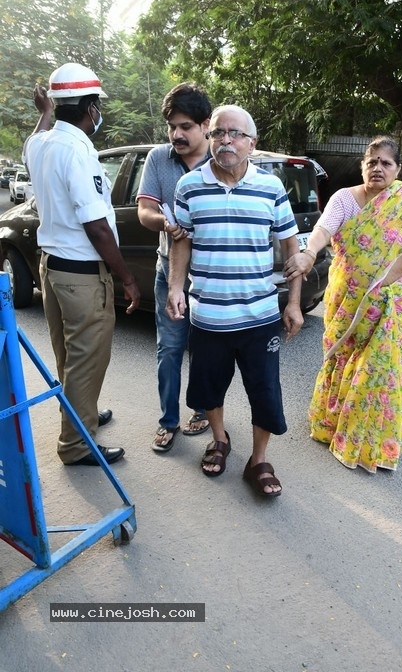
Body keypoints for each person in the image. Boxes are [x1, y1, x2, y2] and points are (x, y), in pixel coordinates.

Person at [283, 135, 402, 474]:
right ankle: (333, 426)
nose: (377, 169)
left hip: (395, 305)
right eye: (371, 162)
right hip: (348, 301)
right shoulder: (345, 199)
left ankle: (369, 442)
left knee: (382, 372)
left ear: (397, 169)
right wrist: (309, 253)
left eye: (386, 163)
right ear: (362, 166)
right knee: (343, 361)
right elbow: (323, 230)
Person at [166, 105, 304, 497]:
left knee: (265, 391)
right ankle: (220, 438)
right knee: (209, 388)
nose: (226, 140)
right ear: (211, 138)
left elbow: (291, 245)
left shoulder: (271, 187)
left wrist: (293, 303)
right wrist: (176, 287)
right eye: (219, 133)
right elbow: (182, 241)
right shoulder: (189, 186)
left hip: (260, 316)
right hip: (208, 315)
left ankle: (258, 460)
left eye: (236, 134)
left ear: (252, 144)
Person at [24, 62, 140, 466]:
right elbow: (97, 227)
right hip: (81, 275)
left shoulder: (41, 144)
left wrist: (44, 112)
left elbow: (37, 134)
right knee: (87, 360)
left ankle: (82, 417)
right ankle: (76, 444)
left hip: (52, 268)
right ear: (91, 108)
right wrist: (126, 278)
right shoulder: (78, 151)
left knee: (69, 357)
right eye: (97, 106)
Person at [136, 83, 211, 453]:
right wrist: (163, 223)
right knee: (169, 349)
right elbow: (145, 210)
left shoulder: (222, 159)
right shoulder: (157, 159)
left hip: (213, 276)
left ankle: (202, 410)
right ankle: (168, 420)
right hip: (169, 272)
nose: (177, 134)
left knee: (207, 350)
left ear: (206, 125)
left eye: (186, 126)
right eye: (172, 127)